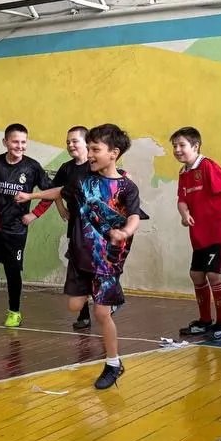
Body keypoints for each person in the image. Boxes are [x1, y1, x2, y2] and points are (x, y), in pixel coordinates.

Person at [62, 124, 144, 389]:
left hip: (107, 260)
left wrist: (125, 232)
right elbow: (60, 191)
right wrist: (33, 195)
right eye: (89, 148)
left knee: (100, 313)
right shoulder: (83, 180)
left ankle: (113, 363)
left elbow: (134, 216)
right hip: (80, 255)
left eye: (95, 149)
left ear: (113, 153)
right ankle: (110, 300)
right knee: (74, 306)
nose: (90, 154)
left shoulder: (127, 187)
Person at [0, 123, 53, 328]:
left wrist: (34, 214)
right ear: (5, 142)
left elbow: (50, 193)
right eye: (15, 142)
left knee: (13, 272)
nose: (20, 146)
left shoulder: (32, 167)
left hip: (16, 231)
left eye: (23, 142)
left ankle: (14, 312)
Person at [171, 127, 221, 341]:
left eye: (182, 145)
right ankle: (205, 320)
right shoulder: (183, 173)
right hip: (199, 235)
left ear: (196, 146)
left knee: (213, 275)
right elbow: (182, 200)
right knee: (196, 275)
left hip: (219, 232)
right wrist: (184, 214)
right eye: (174, 146)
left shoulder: (207, 166)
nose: (177, 150)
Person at [52, 126, 93, 330]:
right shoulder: (66, 168)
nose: (70, 145)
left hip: (95, 229)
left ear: (87, 143)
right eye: (68, 142)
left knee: (95, 268)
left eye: (75, 141)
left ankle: (106, 304)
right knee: (79, 270)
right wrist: (61, 208)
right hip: (75, 226)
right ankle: (84, 315)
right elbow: (54, 190)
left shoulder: (95, 165)